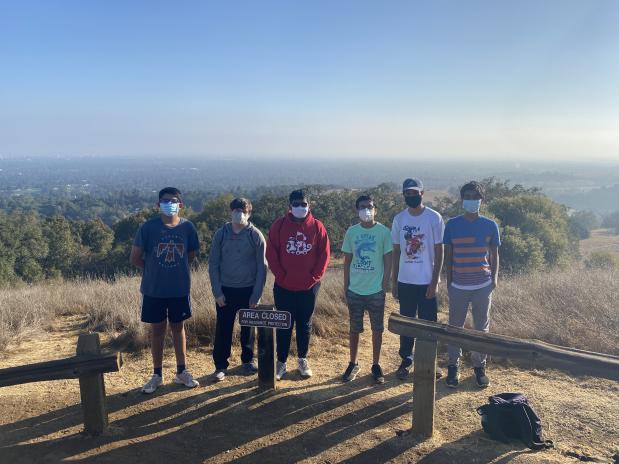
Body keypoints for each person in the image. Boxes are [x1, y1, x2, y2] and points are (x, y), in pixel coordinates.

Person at [130, 187, 200, 394]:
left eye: (173, 200)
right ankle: (157, 375)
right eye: (165, 200)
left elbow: (191, 255)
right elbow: (135, 257)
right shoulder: (148, 228)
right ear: (157, 204)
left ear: (181, 205)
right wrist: (153, 269)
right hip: (154, 289)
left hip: (179, 288)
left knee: (179, 329)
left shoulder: (188, 227)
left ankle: (181, 371)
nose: (169, 204)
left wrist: (172, 270)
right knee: (157, 331)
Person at [266, 189, 330, 380]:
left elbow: (324, 256)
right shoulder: (279, 226)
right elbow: (271, 254)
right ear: (289, 206)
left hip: (309, 288)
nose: (300, 207)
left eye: (303, 204)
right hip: (283, 287)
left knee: (305, 325)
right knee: (284, 324)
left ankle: (302, 359)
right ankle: (281, 362)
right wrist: (282, 276)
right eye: (296, 204)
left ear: (309, 206)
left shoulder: (318, 227)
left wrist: (313, 278)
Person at [443, 181, 500, 388]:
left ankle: (479, 367)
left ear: (481, 200)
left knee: (480, 329)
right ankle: (453, 366)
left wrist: (493, 279)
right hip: (458, 286)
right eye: (468, 196)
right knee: (454, 329)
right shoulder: (452, 225)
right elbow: (448, 256)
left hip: (482, 286)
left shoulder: (490, 225)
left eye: (476, 197)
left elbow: (494, 254)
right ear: (462, 199)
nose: (472, 200)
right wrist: (449, 281)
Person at [208, 197, 267, 381]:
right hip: (225, 290)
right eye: (235, 210)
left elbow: (262, 267)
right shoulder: (221, 234)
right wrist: (217, 292)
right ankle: (220, 366)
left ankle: (247, 361)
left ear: (249, 213)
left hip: (248, 290)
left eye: (242, 211)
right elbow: (213, 264)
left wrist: (256, 295)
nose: (238, 214)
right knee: (223, 329)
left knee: (248, 329)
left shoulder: (255, 235)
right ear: (230, 212)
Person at [391, 178, 444, 380]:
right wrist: (394, 281)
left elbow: (440, 251)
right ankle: (406, 359)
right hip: (405, 281)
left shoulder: (434, 218)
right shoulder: (399, 219)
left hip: (426, 281)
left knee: (429, 324)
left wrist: (435, 280)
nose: (411, 196)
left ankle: (430, 361)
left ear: (422, 193)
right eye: (407, 193)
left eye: (415, 193)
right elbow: (396, 251)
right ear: (404, 194)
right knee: (407, 324)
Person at [341, 194, 392, 384]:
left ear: (375, 209)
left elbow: (388, 261)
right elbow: (347, 261)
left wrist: (383, 285)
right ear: (357, 210)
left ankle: (376, 364)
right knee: (354, 329)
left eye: (369, 206)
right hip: (355, 290)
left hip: (375, 291)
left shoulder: (384, 232)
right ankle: (353, 363)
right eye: (362, 207)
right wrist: (346, 286)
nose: (366, 210)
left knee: (377, 329)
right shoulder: (351, 232)